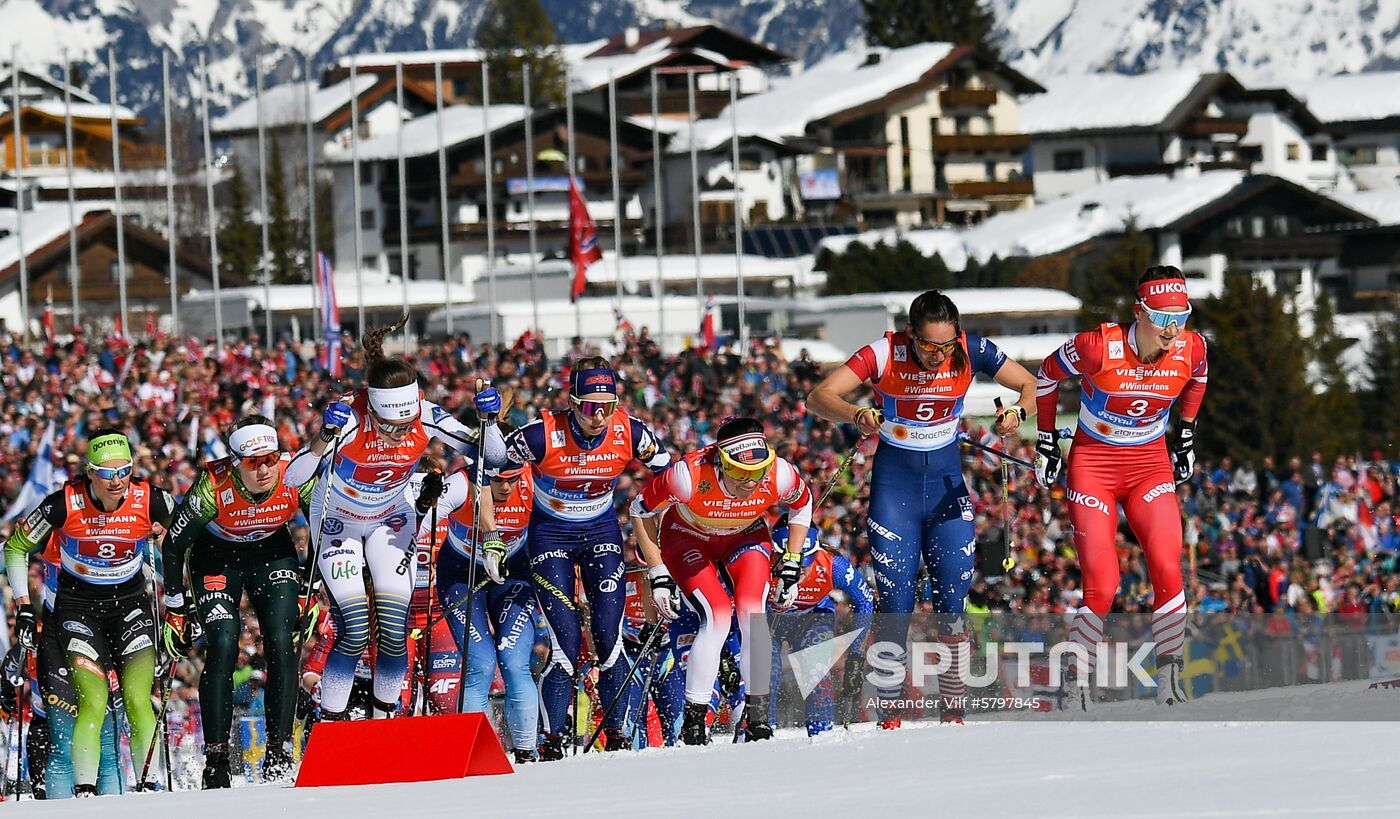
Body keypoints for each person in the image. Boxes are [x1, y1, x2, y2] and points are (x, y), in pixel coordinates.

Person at [806, 289, 1037, 726]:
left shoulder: (970, 350)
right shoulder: (884, 352)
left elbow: (1030, 385)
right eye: (929, 346)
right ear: (911, 335)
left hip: (947, 490)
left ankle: (953, 713)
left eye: (947, 346)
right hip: (897, 491)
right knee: (896, 609)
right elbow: (818, 397)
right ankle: (890, 715)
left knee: (953, 604)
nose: (938, 356)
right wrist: (856, 414)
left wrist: (1018, 415)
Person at [284, 319, 504, 721]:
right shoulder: (350, 416)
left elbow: (492, 459)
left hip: (390, 517)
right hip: (338, 520)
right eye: (390, 427)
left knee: (392, 632)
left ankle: (385, 718)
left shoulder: (426, 414)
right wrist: (322, 438)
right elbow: (293, 477)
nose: (400, 435)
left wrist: (488, 422)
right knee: (352, 629)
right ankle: (331, 723)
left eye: (406, 427)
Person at [1033, 265, 1208, 706]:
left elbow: (1198, 379)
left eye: (1181, 317)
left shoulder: (1192, 347)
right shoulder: (1098, 346)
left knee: (1168, 568)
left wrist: (1185, 434)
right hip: (1095, 466)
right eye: (1162, 318)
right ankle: (1075, 682)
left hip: (1149, 466)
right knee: (1103, 585)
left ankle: (1169, 678)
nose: (1172, 330)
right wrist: (1047, 438)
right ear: (1139, 312)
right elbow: (1047, 375)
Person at [503, 356, 672, 759]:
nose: (599, 417)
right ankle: (552, 739)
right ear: (573, 402)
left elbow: (668, 472)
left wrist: (653, 516)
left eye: (607, 406)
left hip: (601, 533)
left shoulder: (629, 431)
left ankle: (616, 734)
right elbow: (493, 469)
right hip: (550, 537)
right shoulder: (542, 434)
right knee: (565, 645)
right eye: (590, 407)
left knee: (610, 640)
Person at [3, 429, 176, 796]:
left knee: (137, 698)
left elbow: (185, 538)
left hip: (131, 605)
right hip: (78, 608)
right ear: (90, 472)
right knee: (93, 702)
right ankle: (84, 795)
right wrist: (24, 608)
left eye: (125, 471)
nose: (117, 481)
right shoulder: (63, 504)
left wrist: (180, 601)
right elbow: (15, 548)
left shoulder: (152, 500)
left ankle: (150, 789)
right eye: (107, 473)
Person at [630, 417, 812, 745]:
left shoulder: (780, 473)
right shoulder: (687, 476)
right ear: (720, 462)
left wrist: (792, 562)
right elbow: (639, 510)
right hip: (688, 537)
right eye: (740, 473)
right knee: (717, 615)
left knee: (751, 612)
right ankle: (695, 721)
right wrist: (657, 572)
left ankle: (757, 716)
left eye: (757, 472)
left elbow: (802, 505)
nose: (750, 482)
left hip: (743, 536)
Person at [159, 415, 318, 787]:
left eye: (269, 458)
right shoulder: (209, 488)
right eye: (252, 462)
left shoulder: (296, 472)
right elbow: (173, 546)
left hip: (271, 552)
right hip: (216, 556)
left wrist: (313, 591)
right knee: (224, 643)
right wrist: (176, 608)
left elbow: (325, 528)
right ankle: (216, 760)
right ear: (234, 462)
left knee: (282, 641)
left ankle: (279, 753)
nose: (263, 469)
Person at [426, 449, 540, 762]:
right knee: (480, 663)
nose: (505, 487)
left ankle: (527, 752)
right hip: (462, 575)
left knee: (514, 662)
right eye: (496, 480)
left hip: (513, 573)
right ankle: (473, 754)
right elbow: (421, 520)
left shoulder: (533, 483)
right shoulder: (462, 483)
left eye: (512, 480)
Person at [767, 517, 875, 737]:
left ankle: (822, 735)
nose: (800, 571)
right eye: (794, 564)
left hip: (813, 619)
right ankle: (761, 732)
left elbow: (865, 601)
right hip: (770, 622)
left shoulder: (832, 564)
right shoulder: (761, 563)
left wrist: (856, 656)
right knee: (767, 675)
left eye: (807, 562)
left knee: (816, 674)